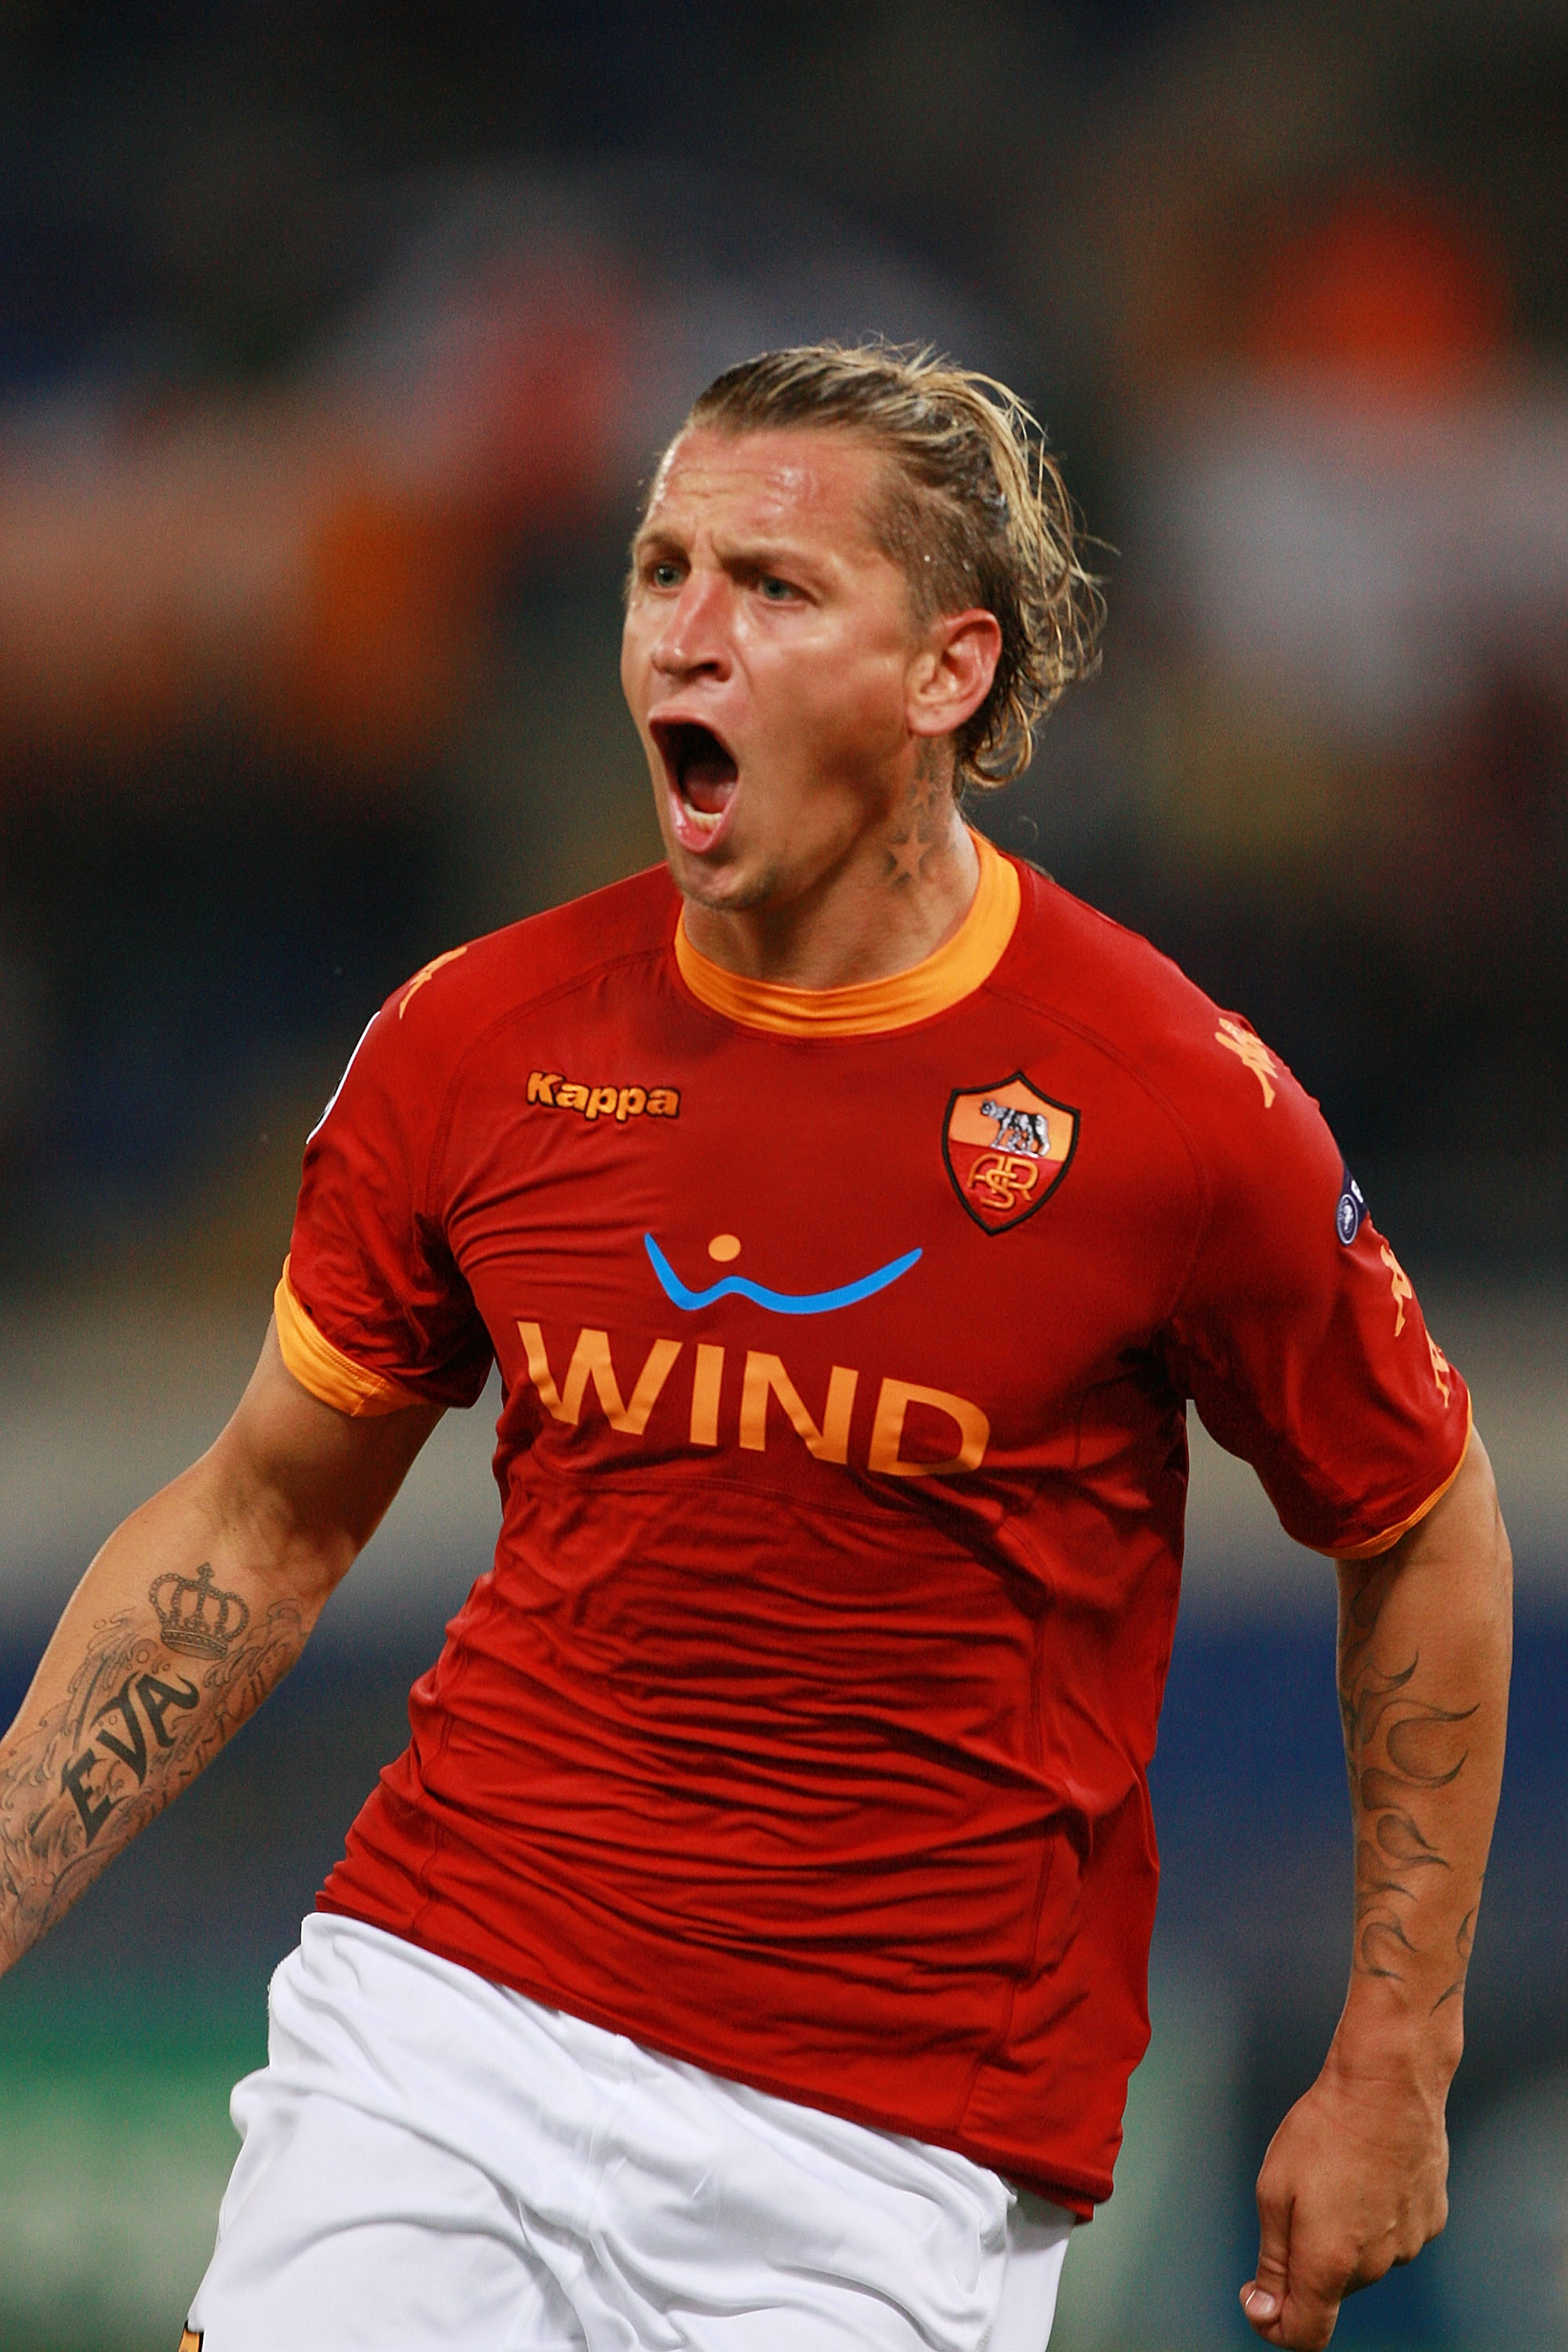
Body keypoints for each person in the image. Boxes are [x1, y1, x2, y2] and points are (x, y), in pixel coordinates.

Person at [0, 344, 1510, 2352]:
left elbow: (1419, 1522)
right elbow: (262, 1524)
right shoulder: (476, 1040)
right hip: (441, 2020)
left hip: (885, 2150)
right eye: (658, 572)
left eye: (774, 590)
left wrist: (1394, 2056)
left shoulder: (1165, 1104)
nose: (682, 640)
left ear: (947, 673)